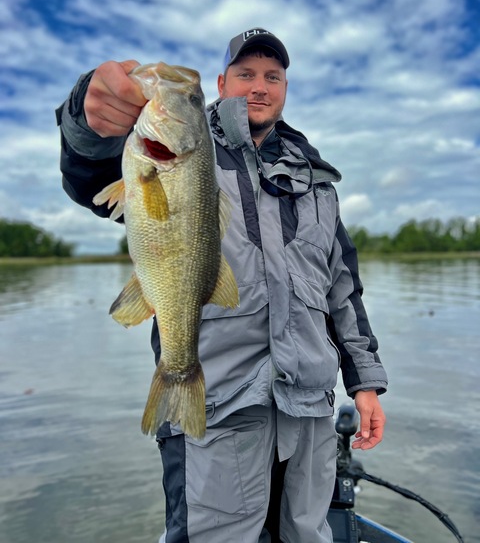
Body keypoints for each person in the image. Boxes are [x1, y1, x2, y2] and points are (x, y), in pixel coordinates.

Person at [56, 27, 388, 543]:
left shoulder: (317, 180)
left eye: (272, 76)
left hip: (309, 413)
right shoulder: (183, 152)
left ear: (285, 88)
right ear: (221, 82)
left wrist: (363, 381)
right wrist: (87, 113)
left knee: (308, 534)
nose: (259, 86)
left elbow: (341, 288)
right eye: (245, 74)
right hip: (217, 409)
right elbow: (88, 172)